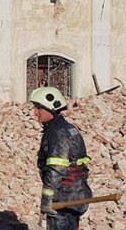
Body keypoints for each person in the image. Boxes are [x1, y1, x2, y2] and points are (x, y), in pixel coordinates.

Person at [29, 86, 92, 230]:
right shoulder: (68, 128)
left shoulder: (56, 133)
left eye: (39, 108)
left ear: (51, 109)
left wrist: (47, 199)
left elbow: (56, 168)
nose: (35, 112)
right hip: (77, 194)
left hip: (63, 198)